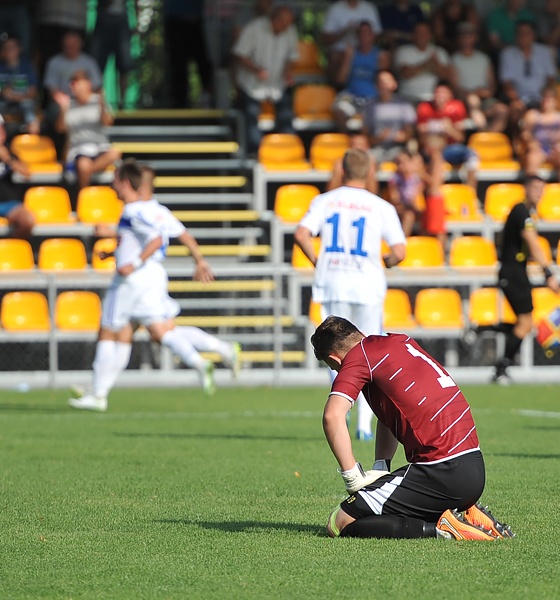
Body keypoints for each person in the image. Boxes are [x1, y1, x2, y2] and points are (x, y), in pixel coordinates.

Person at [312, 315, 513, 540]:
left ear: (335, 359)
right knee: (386, 504)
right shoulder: (398, 341)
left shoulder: (359, 358)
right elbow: (390, 413)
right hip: (472, 467)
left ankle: (443, 529)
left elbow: (332, 416)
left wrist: (352, 477)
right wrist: (381, 466)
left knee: (338, 523)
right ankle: (466, 514)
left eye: (335, 369)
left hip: (440, 471)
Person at [68, 162, 240, 412]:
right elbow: (181, 236)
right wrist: (199, 260)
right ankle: (217, 351)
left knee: (109, 332)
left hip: (132, 279)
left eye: (116, 180)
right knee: (154, 331)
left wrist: (131, 262)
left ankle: (98, 393)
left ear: (127, 183)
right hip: (154, 276)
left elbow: (154, 239)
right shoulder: (159, 211)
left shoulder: (132, 211)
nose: (113, 184)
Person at [294, 149, 408, 440]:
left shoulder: (324, 201)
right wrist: (383, 263)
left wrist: (319, 262)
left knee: (334, 351)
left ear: (341, 170)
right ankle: (365, 425)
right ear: (370, 172)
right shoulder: (380, 205)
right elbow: (399, 252)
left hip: (333, 282)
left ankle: (340, 413)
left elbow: (301, 234)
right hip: (367, 284)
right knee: (370, 352)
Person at [492, 174, 560, 385]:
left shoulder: (523, 212)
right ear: (526, 189)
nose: (539, 193)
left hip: (515, 270)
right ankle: (501, 368)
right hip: (514, 272)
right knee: (525, 323)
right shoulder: (522, 211)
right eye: (535, 188)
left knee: (525, 323)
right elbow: (532, 242)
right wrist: (548, 272)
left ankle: (483, 332)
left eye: (542, 189)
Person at [231, 5, 299, 155]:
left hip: (277, 85)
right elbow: (239, 54)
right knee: (251, 118)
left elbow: (292, 56)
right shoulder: (254, 28)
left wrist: (288, 71)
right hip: (251, 85)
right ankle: (255, 155)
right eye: (284, 24)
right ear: (275, 20)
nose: (286, 28)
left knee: (286, 117)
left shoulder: (290, 30)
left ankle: (289, 152)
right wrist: (256, 69)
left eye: (289, 24)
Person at [54, 69, 122, 190]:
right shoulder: (68, 104)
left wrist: (102, 105)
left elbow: (108, 123)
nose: (74, 86)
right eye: (72, 83)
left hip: (100, 147)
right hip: (79, 149)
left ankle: (87, 174)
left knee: (115, 153)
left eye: (77, 82)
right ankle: (84, 196)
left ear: (88, 84)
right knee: (83, 165)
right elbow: (60, 129)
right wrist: (63, 109)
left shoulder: (98, 101)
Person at [331, 21, 390, 133]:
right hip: (351, 95)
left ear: (373, 36)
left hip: (372, 97)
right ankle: (345, 141)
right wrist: (348, 58)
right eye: (361, 33)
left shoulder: (381, 55)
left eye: (367, 33)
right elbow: (340, 80)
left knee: (374, 116)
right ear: (357, 36)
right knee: (339, 108)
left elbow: (385, 81)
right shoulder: (350, 53)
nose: (364, 36)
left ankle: (366, 144)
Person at [499, 20, 556, 127]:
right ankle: (516, 142)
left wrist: (547, 98)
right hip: (520, 98)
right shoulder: (507, 54)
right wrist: (516, 100)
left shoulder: (544, 52)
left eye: (527, 33)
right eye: (520, 33)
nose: (523, 36)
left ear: (533, 35)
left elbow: (551, 79)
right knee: (515, 111)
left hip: (542, 97)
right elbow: (506, 83)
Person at [362, 70, 417, 168]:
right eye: (381, 81)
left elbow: (410, 132)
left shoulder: (404, 105)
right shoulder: (370, 106)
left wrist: (402, 136)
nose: (384, 84)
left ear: (394, 84)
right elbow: (365, 134)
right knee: (367, 163)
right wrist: (379, 138)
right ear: (376, 85)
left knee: (406, 162)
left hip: (398, 148)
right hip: (377, 148)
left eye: (387, 81)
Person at [164, 0, 213, 107]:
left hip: (201, 21)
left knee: (205, 65)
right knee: (178, 66)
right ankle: (179, 104)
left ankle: (208, 101)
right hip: (176, 20)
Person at [521, 86, 560, 184]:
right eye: (545, 98)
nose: (547, 101)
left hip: (555, 150)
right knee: (532, 158)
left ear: (556, 101)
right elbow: (525, 134)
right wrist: (532, 142)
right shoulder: (532, 115)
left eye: (550, 99)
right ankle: (532, 189)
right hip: (538, 149)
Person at [321, 0, 382, 83]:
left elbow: (377, 34)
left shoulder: (369, 8)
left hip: (366, 49)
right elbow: (325, 38)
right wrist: (345, 31)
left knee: (381, 57)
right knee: (335, 57)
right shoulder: (335, 9)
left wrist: (363, 37)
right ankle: (336, 89)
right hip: (341, 50)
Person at [393, 21, 453, 103]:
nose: (421, 35)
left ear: (430, 35)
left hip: (433, 100)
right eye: (418, 32)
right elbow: (406, 74)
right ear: (413, 35)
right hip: (408, 98)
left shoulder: (439, 52)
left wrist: (433, 66)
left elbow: (446, 75)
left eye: (424, 32)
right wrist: (428, 64)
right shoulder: (403, 51)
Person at [90, 0, 135, 108]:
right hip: (103, 19)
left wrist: (135, 23)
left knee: (123, 64)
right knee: (98, 65)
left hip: (122, 19)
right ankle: (99, 103)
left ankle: (122, 103)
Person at [0, 115, 34, 238]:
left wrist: (8, 160)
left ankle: (11, 249)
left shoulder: (9, 153)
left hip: (9, 203)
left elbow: (27, 173)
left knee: (27, 220)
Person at [0, 36, 39, 134]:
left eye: (12, 47)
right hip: (4, 103)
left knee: (28, 108)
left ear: (19, 49)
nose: (9, 50)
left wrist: (15, 97)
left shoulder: (27, 67)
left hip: (24, 102)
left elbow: (33, 93)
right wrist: (3, 92)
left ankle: (33, 138)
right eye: (6, 48)